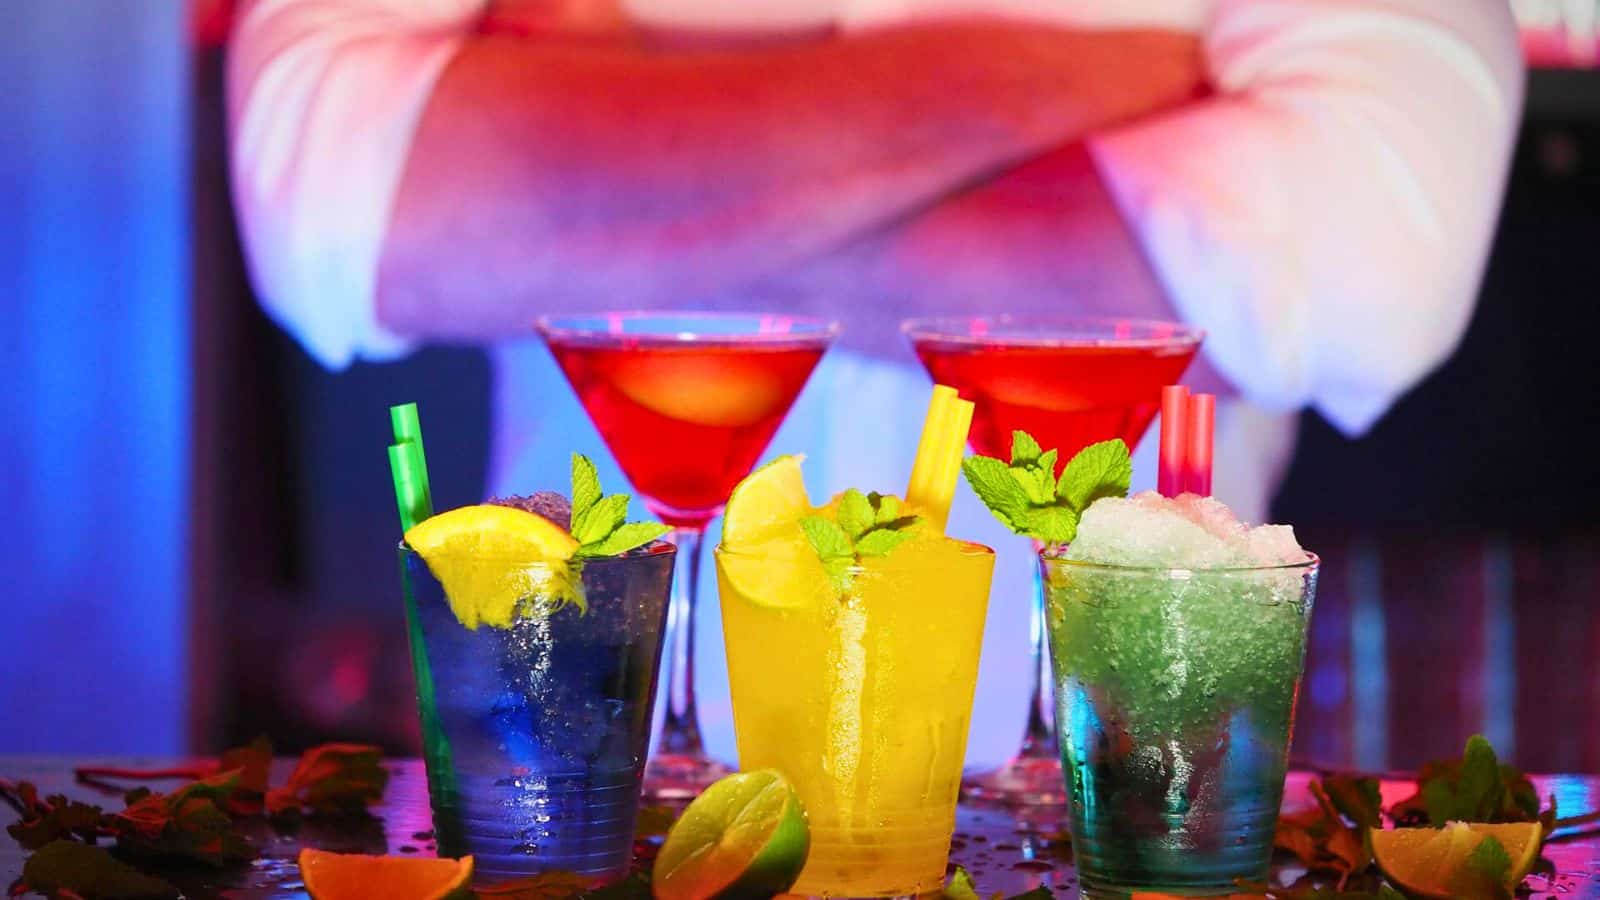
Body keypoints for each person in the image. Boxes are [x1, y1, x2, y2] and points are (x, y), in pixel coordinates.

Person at [227, 0, 1523, 766]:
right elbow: (336, 202)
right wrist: (1118, 85)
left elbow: (1366, 270)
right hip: (590, 804)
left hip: (1097, 816)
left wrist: (600, 131)